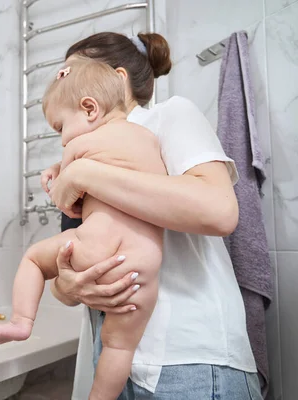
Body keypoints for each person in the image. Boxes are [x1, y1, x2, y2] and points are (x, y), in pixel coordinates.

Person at [43, 32, 262, 399]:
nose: (62, 82)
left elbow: (219, 211)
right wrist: (66, 288)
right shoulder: (84, 153)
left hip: (189, 362)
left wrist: (84, 175)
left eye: (72, 71)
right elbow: (75, 261)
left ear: (118, 78)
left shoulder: (169, 116)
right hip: (115, 363)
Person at [0, 57, 167, 399]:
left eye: (59, 127)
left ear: (89, 109)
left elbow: (66, 194)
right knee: (119, 348)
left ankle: (22, 322)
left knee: (33, 260)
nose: (61, 139)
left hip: (95, 244)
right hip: (143, 263)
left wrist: (56, 171)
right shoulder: (149, 139)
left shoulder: (80, 146)